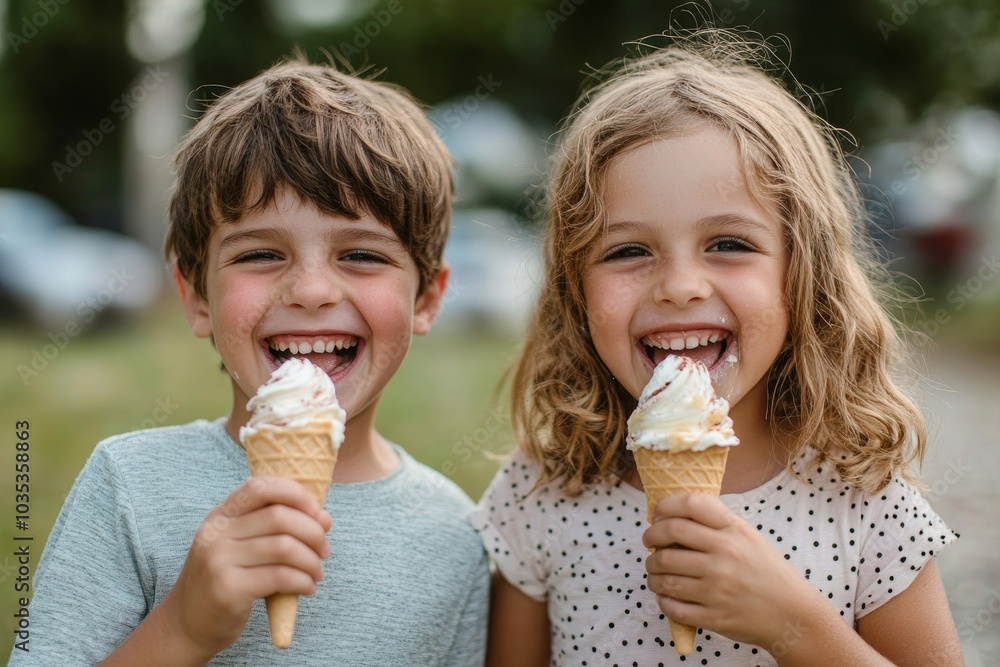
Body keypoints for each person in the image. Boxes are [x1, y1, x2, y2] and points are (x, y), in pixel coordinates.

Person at [472, 30, 963, 666]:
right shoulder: (540, 494)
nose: (679, 287)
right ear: (574, 289)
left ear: (801, 273)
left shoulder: (865, 503)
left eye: (728, 243)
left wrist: (797, 628)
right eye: (628, 251)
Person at [13, 59, 489, 666]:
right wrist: (183, 628)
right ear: (196, 298)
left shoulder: (455, 533)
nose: (311, 291)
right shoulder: (127, 485)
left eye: (362, 255)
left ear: (427, 298)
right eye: (262, 253)